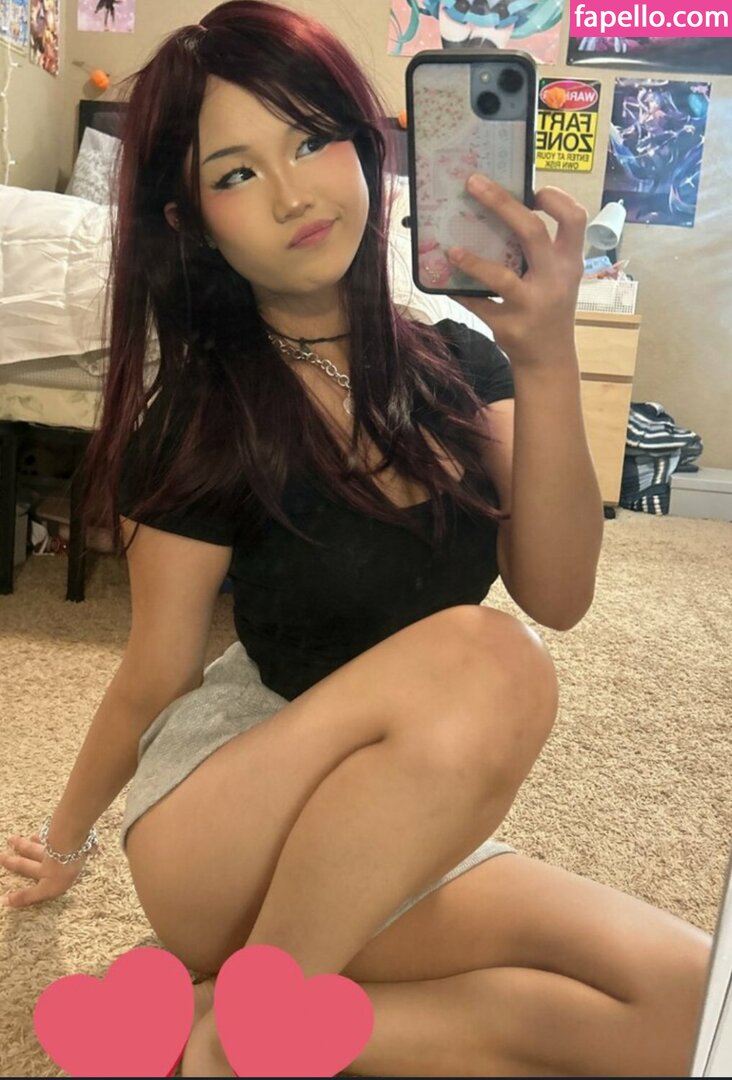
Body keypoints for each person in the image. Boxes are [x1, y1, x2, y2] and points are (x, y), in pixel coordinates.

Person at [1, 2, 710, 1076]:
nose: (293, 194)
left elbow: (560, 591)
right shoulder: (202, 415)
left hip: (398, 813)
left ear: (366, 147)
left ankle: (217, 1027)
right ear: (192, 220)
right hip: (229, 815)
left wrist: (547, 356)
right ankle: (260, 1019)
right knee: (492, 654)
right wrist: (66, 842)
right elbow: (153, 675)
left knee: (693, 1003)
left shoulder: (459, 366)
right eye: (237, 173)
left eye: (311, 139)